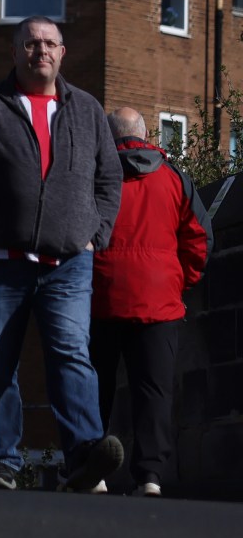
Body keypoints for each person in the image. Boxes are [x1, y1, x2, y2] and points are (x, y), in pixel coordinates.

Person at [0, 17, 125, 492]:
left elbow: (109, 179)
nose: (39, 50)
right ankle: (2, 463)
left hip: (67, 264)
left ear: (62, 53)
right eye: (30, 43)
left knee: (72, 356)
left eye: (49, 43)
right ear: (15, 52)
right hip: (0, 261)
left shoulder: (86, 109)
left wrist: (96, 234)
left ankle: (83, 456)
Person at [89, 107, 213, 496]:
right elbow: (200, 239)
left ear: (109, 138)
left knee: (93, 388)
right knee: (154, 392)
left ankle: (93, 474)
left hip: (101, 296)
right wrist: (179, 282)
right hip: (159, 300)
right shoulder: (174, 177)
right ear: (146, 134)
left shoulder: (94, 176)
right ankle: (151, 478)